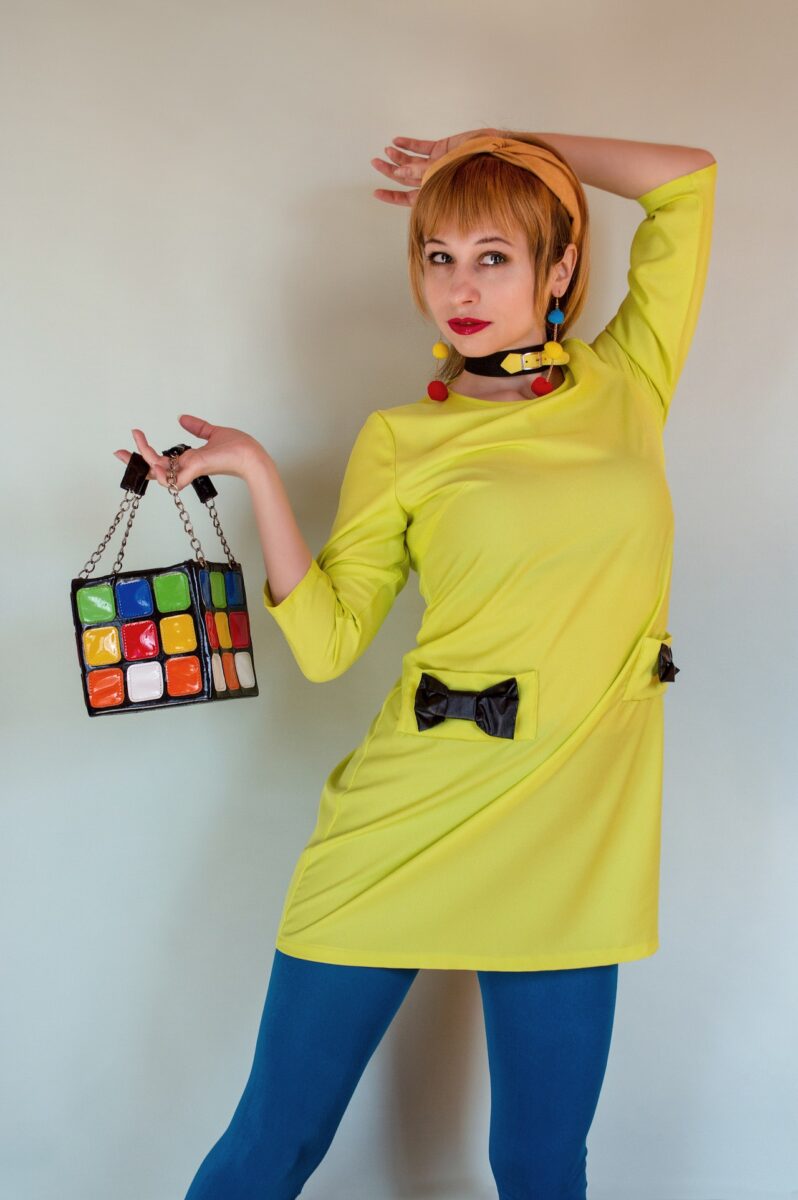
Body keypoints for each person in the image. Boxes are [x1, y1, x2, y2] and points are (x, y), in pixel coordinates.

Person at [115, 128, 717, 1200]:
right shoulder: (402, 439)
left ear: (562, 266)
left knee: (538, 1162)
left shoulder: (628, 383)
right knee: (273, 1143)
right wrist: (254, 470)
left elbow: (687, 182)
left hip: (572, 831)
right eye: (438, 256)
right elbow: (333, 636)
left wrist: (507, 137)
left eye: (494, 255)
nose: (459, 286)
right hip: (405, 818)